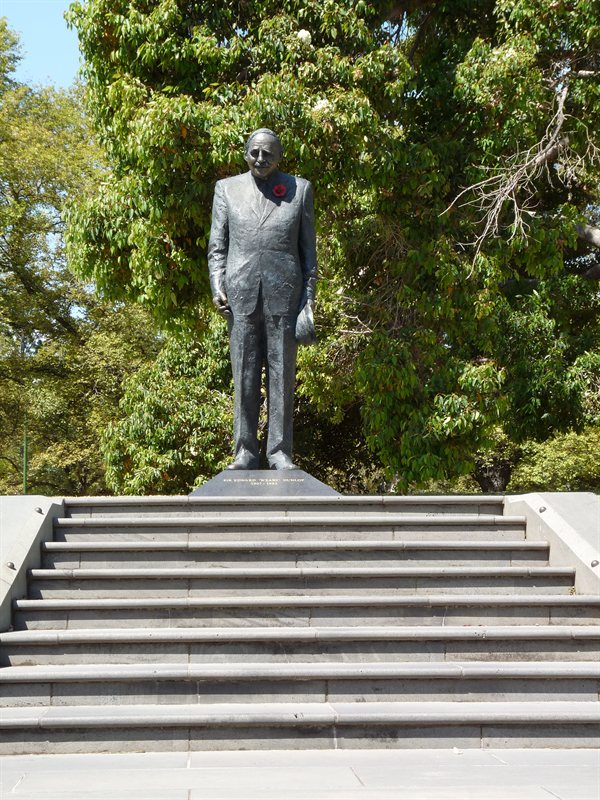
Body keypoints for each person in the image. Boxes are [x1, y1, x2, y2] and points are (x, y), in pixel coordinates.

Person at [208, 128, 317, 470]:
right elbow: (217, 246)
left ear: (279, 156)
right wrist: (217, 285)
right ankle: (244, 450)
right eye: (254, 152)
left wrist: (309, 300)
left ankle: (280, 452)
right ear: (246, 153)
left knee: (282, 375)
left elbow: (308, 253)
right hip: (240, 294)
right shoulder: (226, 189)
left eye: (267, 153)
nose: (260, 159)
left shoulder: (300, 190)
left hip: (285, 294)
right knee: (244, 375)